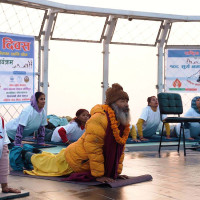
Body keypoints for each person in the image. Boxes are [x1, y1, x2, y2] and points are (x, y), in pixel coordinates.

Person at [23, 83, 130, 183]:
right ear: (112, 104)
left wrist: (115, 173)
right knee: (46, 164)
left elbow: (119, 149)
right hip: (75, 159)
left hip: (84, 160)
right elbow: (94, 149)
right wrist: (99, 175)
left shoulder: (120, 123)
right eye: (122, 101)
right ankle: (27, 155)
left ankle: (34, 152)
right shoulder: (99, 119)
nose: (126, 105)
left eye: (126, 101)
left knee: (51, 159)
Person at [0, 116, 21, 193]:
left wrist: (4, 186)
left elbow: (3, 136)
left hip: (2, 144)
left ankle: (5, 186)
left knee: (4, 163)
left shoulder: (0, 119)